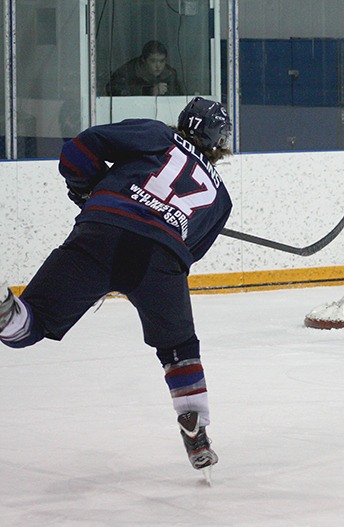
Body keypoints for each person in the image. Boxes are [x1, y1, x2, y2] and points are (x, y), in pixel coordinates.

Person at [0, 97, 232, 477]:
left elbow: (76, 152)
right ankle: (196, 430)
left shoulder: (156, 135)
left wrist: (91, 189)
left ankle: (5, 306)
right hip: (160, 259)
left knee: (27, 328)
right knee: (179, 350)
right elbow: (189, 254)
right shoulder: (221, 199)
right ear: (220, 139)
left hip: (102, 231)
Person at [106, 40, 184, 96]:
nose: (158, 66)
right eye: (153, 61)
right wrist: (148, 91)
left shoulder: (170, 74)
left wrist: (166, 91)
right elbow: (111, 89)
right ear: (143, 60)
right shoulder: (128, 71)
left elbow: (179, 97)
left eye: (162, 61)